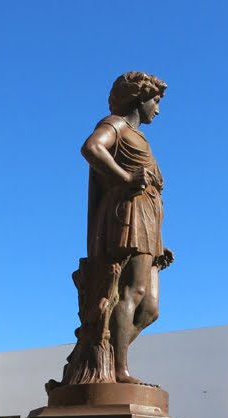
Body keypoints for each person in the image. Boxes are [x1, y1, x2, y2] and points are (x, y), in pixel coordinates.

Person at [55, 72, 173, 389]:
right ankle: (118, 370)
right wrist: (125, 177)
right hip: (130, 217)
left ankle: (94, 352)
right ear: (140, 97)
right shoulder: (116, 124)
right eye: (156, 101)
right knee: (131, 293)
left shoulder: (139, 135)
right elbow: (92, 148)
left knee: (150, 309)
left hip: (149, 219)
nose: (158, 110)